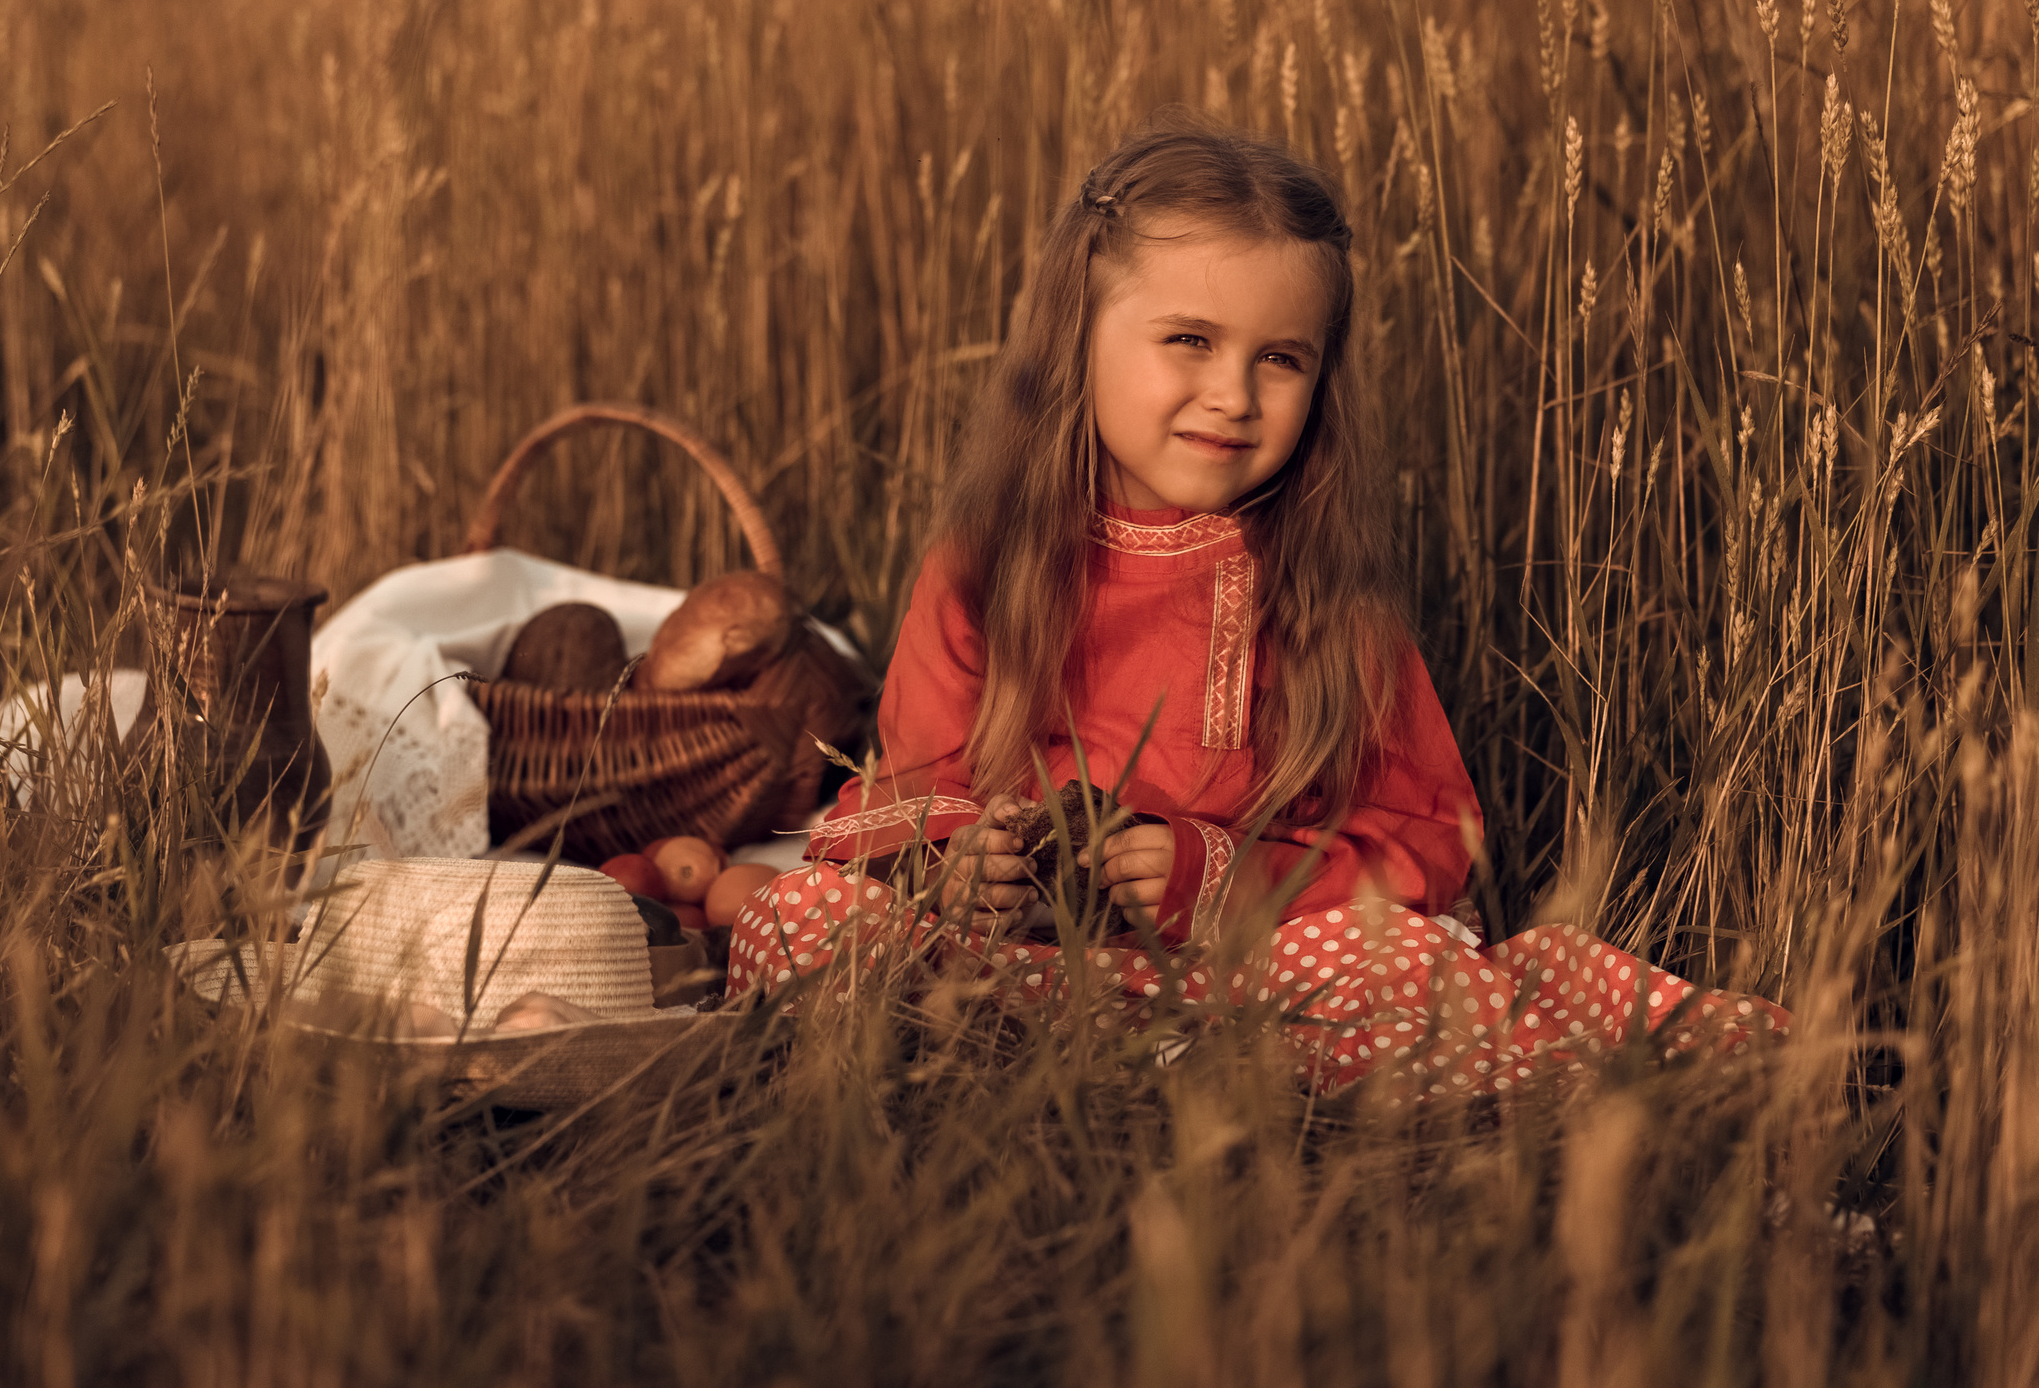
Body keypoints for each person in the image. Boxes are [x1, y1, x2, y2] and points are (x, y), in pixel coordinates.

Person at [722, 112, 1788, 1098]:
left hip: (1252, 987)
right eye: (1188, 340)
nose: (1234, 394)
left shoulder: (1319, 591)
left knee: (1393, 971)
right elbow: (907, 786)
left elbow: (1430, 838)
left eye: (1279, 359)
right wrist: (962, 871)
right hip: (1012, 976)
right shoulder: (984, 567)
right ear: (1074, 341)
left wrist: (1215, 876)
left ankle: (1588, 1070)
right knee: (802, 923)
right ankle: (1066, 1075)